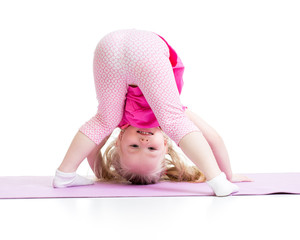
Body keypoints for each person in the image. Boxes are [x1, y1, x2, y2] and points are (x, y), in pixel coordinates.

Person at [52, 29, 251, 196]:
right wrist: (228, 173)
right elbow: (213, 138)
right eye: (151, 150)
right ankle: (217, 179)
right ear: (165, 145)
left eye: (133, 146)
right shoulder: (169, 116)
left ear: (119, 138)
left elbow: (93, 147)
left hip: (118, 47)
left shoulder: (118, 120)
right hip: (126, 47)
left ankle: (65, 173)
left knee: (104, 121)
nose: (144, 143)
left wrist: (100, 171)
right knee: (171, 120)